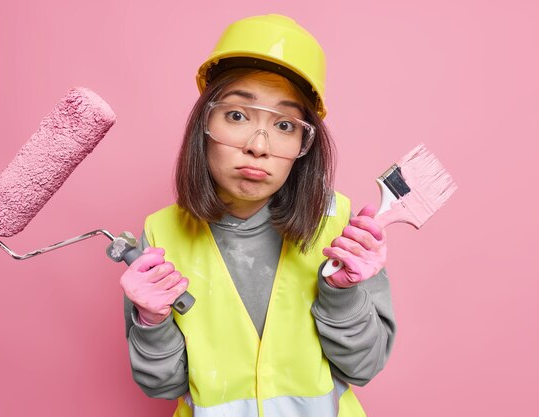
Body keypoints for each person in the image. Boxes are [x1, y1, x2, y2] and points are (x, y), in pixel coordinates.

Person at [120, 14, 396, 417]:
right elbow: (163, 387)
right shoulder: (161, 234)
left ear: (305, 143)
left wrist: (342, 295)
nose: (258, 145)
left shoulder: (340, 225)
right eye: (237, 115)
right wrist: (151, 320)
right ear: (204, 124)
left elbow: (365, 366)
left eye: (284, 124)